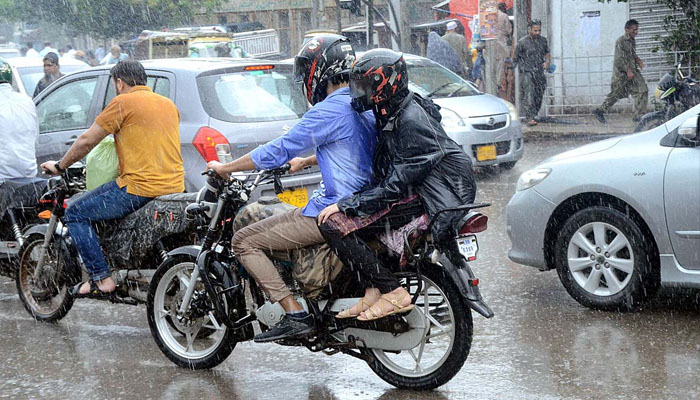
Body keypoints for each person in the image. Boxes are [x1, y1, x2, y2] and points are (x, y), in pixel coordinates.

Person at [206, 35, 377, 343]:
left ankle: (295, 313)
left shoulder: (327, 110)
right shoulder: (362, 101)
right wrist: (309, 160)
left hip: (335, 209)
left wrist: (225, 168)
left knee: (244, 241)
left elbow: (276, 151)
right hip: (367, 202)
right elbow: (355, 145)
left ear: (318, 72)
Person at [317, 49, 477, 322]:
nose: (359, 93)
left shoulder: (411, 121)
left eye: (366, 85)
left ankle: (392, 292)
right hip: (423, 188)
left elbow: (395, 186)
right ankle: (372, 289)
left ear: (386, 83)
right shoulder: (395, 107)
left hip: (430, 196)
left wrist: (347, 204)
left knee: (333, 224)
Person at [40, 60, 185, 299]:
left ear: (119, 82)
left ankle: (101, 278)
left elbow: (88, 140)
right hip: (175, 186)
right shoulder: (168, 104)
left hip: (139, 187)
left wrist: (60, 165)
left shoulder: (122, 103)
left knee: (76, 212)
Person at [593, 19, 648, 123]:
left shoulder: (632, 41)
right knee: (616, 94)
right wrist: (628, 70)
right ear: (627, 30)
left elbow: (631, 53)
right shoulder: (620, 41)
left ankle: (639, 116)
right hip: (622, 74)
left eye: (637, 30)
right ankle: (599, 111)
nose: (636, 32)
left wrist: (637, 59)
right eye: (634, 30)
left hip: (633, 72)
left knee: (642, 90)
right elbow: (619, 59)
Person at [513, 20, 550, 126]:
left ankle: (534, 114)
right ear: (529, 30)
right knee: (529, 94)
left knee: (539, 94)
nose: (537, 33)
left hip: (539, 71)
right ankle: (529, 117)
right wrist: (511, 73)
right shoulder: (522, 42)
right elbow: (515, 58)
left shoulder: (543, 41)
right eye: (535, 30)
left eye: (539, 30)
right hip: (526, 72)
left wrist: (547, 62)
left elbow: (547, 52)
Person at [484, 3, 512, 96]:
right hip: (501, 45)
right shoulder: (504, 16)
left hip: (489, 45)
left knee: (490, 69)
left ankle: (491, 89)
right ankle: (498, 87)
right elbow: (509, 30)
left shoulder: (486, 15)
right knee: (500, 69)